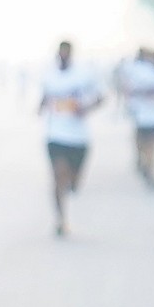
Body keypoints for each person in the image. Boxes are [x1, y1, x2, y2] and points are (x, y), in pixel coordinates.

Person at [39, 39, 103, 236]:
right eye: (60, 53)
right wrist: (41, 107)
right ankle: (60, 219)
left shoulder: (84, 75)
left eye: (66, 53)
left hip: (78, 137)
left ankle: (72, 184)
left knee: (73, 182)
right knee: (58, 177)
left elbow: (100, 97)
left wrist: (85, 108)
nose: (63, 57)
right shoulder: (49, 75)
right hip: (55, 135)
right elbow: (45, 98)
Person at [120, 46, 154, 188]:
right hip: (143, 116)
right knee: (142, 144)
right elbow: (129, 89)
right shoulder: (142, 73)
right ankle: (144, 162)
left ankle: (152, 171)